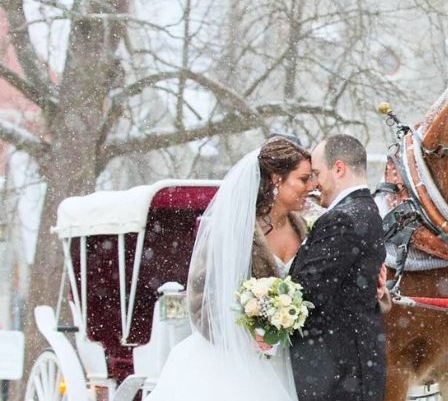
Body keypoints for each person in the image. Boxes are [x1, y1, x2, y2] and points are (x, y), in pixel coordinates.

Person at [146, 137, 315, 401]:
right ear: (276, 179)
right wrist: (250, 331)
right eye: (303, 179)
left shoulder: (303, 228)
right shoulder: (232, 229)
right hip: (231, 363)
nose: (311, 187)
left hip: (286, 362)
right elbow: (201, 299)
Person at [289, 134, 387, 401]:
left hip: (337, 373)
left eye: (317, 174)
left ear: (339, 168)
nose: (313, 184)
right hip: (352, 366)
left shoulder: (343, 218)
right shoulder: (365, 210)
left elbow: (308, 291)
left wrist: (269, 302)